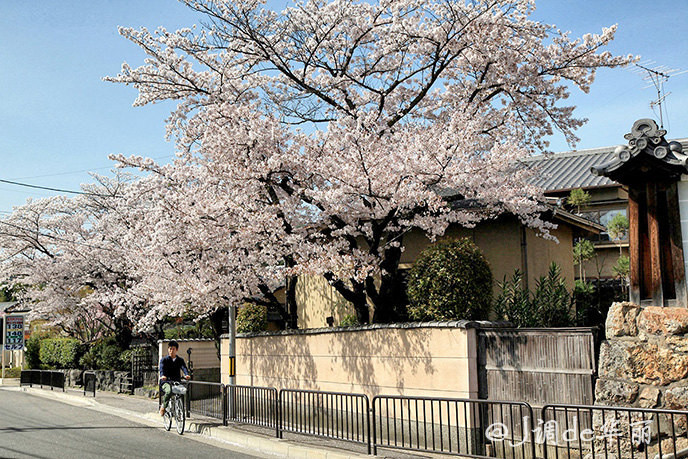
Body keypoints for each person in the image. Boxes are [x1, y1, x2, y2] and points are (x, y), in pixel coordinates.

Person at [159, 340, 191, 416]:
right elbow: (161, 369)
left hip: (176, 380)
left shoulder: (180, 360)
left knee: (182, 391)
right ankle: (164, 406)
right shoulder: (164, 360)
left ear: (176, 350)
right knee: (169, 391)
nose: (171, 351)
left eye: (173, 349)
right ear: (168, 349)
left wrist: (186, 374)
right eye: (170, 349)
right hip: (166, 381)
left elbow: (184, 368)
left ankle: (180, 410)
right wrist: (163, 375)